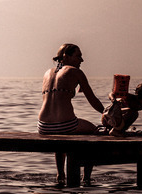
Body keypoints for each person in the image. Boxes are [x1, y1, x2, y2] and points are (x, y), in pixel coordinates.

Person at [37, 43, 104, 184]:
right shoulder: (76, 72)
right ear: (66, 56)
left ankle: (60, 175)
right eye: (78, 56)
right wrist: (107, 114)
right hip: (65, 125)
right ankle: (86, 178)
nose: (82, 60)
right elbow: (92, 100)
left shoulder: (47, 73)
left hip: (43, 126)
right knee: (95, 131)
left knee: (60, 138)